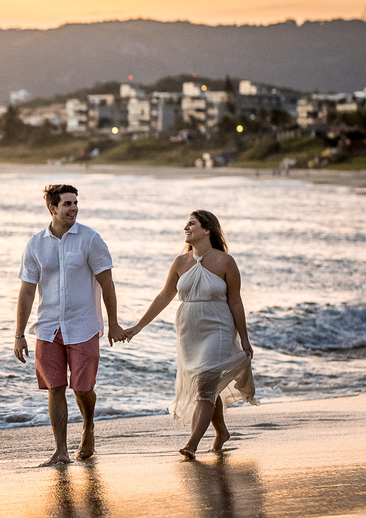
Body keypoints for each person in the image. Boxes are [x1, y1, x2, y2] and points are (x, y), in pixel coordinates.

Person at [125, 210, 256, 459]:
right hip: (188, 331)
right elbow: (164, 296)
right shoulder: (180, 262)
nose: (186, 227)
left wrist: (244, 338)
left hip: (218, 327)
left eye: (192, 223)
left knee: (206, 381)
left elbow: (236, 302)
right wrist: (138, 326)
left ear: (207, 229)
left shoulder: (225, 262)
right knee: (204, 385)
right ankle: (222, 432)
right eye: (187, 223)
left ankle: (192, 444)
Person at [15, 184, 124, 466]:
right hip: (48, 327)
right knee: (55, 388)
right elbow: (27, 291)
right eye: (67, 204)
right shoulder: (35, 244)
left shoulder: (90, 239)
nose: (73, 208)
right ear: (52, 208)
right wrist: (19, 334)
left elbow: (107, 284)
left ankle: (88, 425)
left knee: (82, 387)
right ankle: (61, 450)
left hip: (83, 325)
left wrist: (113, 323)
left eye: (75, 202)